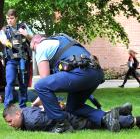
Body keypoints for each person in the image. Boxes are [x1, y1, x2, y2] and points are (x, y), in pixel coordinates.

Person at [30, 33, 104, 132]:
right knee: (73, 108)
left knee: (39, 85)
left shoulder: (41, 47)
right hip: (97, 73)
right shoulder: (62, 40)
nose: (35, 52)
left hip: (80, 74)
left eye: (33, 49)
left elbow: (44, 82)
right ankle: (109, 117)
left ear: (36, 42)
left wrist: (42, 101)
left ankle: (61, 123)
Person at [3, 103, 140, 133]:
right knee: (99, 116)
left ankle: (134, 120)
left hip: (72, 118)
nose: (10, 124)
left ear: (17, 114)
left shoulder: (33, 121)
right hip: (71, 109)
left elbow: (58, 120)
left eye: (10, 121)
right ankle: (119, 111)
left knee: (102, 122)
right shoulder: (25, 110)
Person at [0, 9, 33, 108]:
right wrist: (8, 43)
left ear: (16, 18)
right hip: (11, 60)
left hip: (23, 59)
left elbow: (33, 38)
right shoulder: (4, 29)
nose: (9, 20)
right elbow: (2, 39)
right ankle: (8, 105)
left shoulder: (23, 27)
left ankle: (22, 105)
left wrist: (26, 34)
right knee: (10, 82)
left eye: (11, 18)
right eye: (7, 18)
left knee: (23, 83)